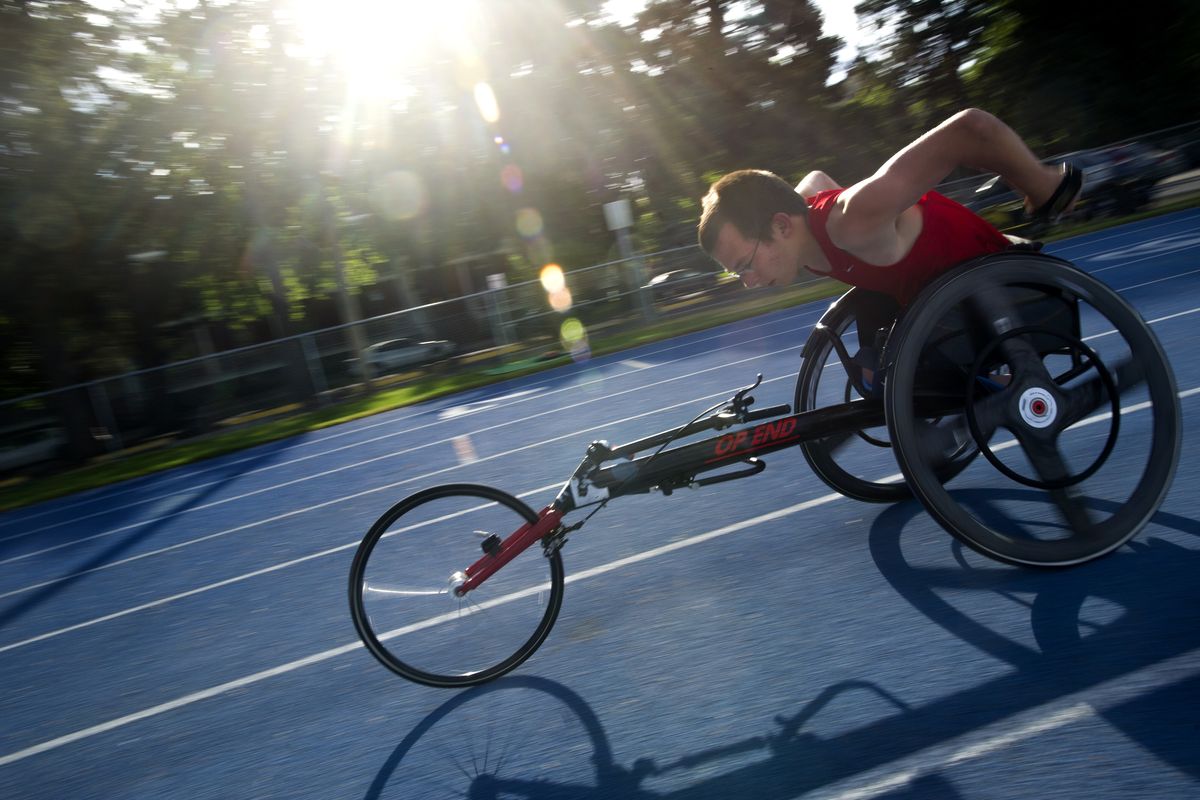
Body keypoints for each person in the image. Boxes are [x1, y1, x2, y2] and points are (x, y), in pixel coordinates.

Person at [697, 109, 1082, 390]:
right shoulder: (800, 231)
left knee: (891, 373)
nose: (746, 282)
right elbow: (815, 180)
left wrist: (1040, 185)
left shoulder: (853, 220)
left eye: (744, 265)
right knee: (875, 373)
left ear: (780, 226)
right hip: (932, 294)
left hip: (989, 281)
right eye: (735, 272)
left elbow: (971, 128)